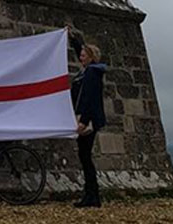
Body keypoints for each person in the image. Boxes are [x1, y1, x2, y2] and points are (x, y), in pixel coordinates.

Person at [67, 24, 107, 208]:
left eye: (83, 56)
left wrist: (83, 122)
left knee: (85, 156)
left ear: (90, 58)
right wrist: (74, 39)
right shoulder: (89, 69)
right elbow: (80, 51)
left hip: (88, 120)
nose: (80, 57)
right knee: (85, 156)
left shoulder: (91, 73)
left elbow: (90, 98)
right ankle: (92, 195)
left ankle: (92, 196)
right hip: (86, 118)